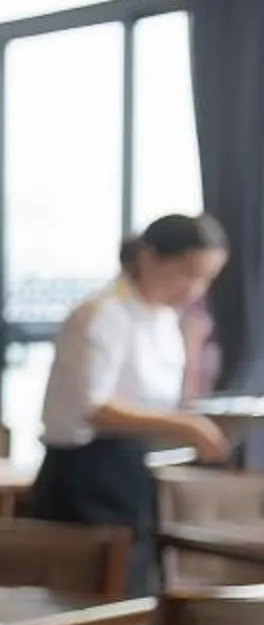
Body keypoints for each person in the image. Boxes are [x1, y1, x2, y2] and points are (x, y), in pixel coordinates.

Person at [27, 213, 231, 592]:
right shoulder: (102, 314)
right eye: (187, 273)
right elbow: (95, 408)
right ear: (149, 257)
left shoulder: (165, 320)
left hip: (131, 472)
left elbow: (164, 401)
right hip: (84, 476)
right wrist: (185, 426)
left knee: (132, 598)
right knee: (82, 605)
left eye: (206, 279)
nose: (193, 289)